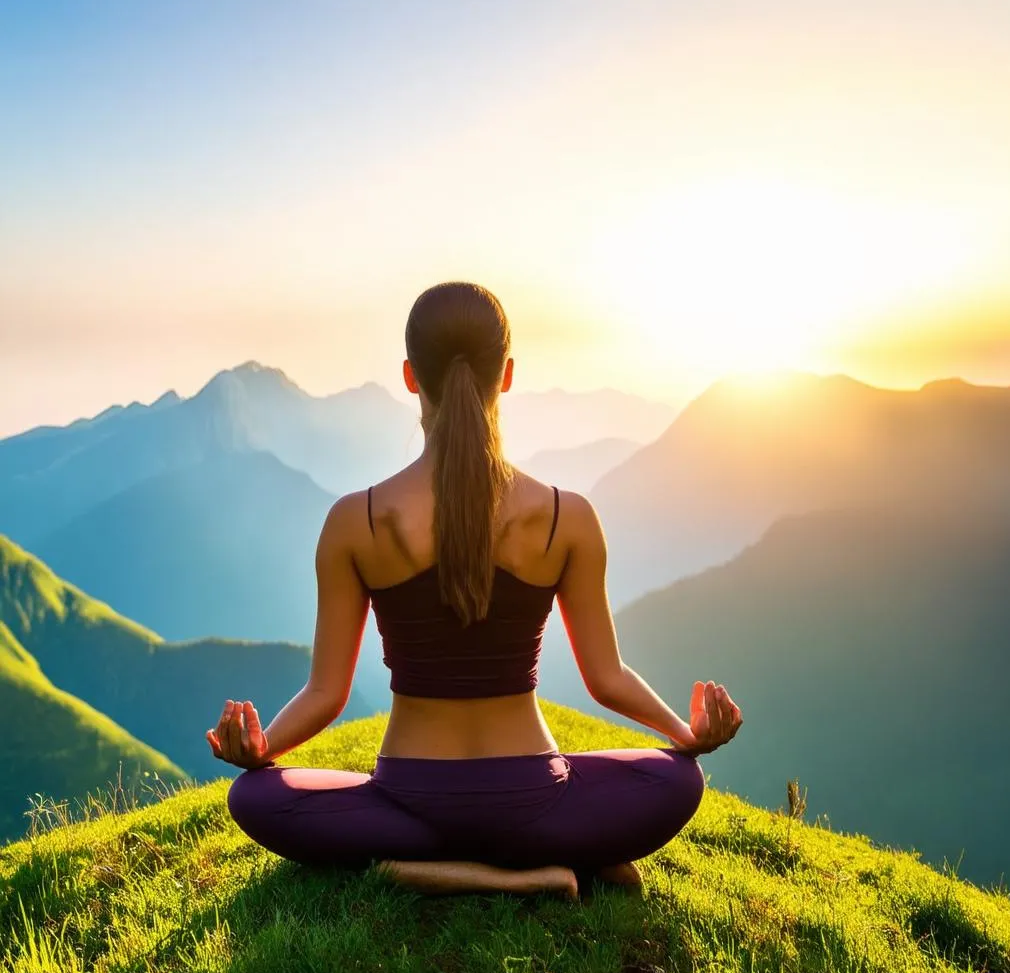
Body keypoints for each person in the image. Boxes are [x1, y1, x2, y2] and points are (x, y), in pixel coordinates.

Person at [208, 281, 743, 900]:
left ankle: (419, 866)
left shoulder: (358, 521)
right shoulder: (567, 517)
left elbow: (326, 693)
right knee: (678, 780)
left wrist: (262, 748)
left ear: (411, 376)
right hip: (533, 798)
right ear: (507, 375)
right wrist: (687, 734)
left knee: (254, 795)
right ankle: (545, 858)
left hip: (410, 798)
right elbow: (607, 677)